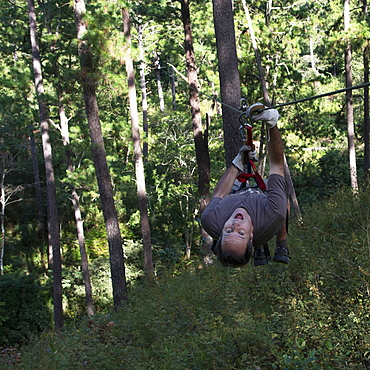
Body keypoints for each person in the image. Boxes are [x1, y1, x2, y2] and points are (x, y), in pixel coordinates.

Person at [201, 103, 290, 267]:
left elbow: (219, 194)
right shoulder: (271, 214)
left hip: (241, 196)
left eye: (229, 231)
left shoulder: (210, 219)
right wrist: (271, 124)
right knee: (282, 199)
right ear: (251, 235)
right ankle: (282, 243)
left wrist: (239, 161)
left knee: (234, 185)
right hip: (262, 206)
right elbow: (277, 166)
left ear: (221, 232)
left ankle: (258, 247)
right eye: (240, 233)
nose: (235, 224)